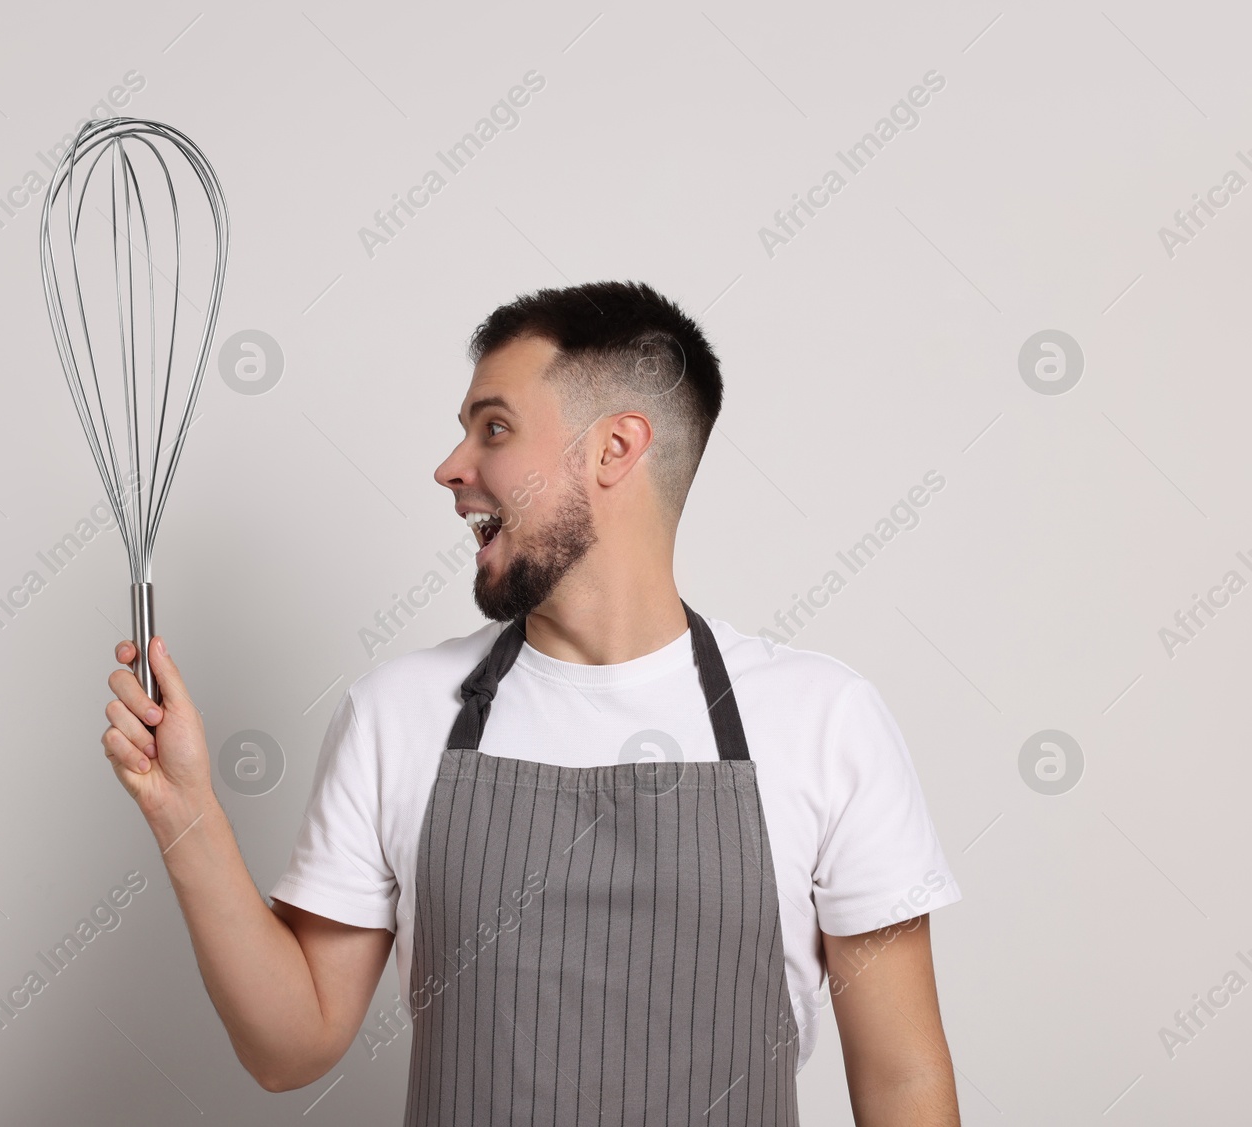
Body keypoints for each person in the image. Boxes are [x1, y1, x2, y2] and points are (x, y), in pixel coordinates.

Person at [100, 281, 964, 1125]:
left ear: (614, 449)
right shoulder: (398, 714)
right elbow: (290, 1047)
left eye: (495, 427)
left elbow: (901, 1080)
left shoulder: (823, 719)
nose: (450, 468)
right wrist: (188, 815)